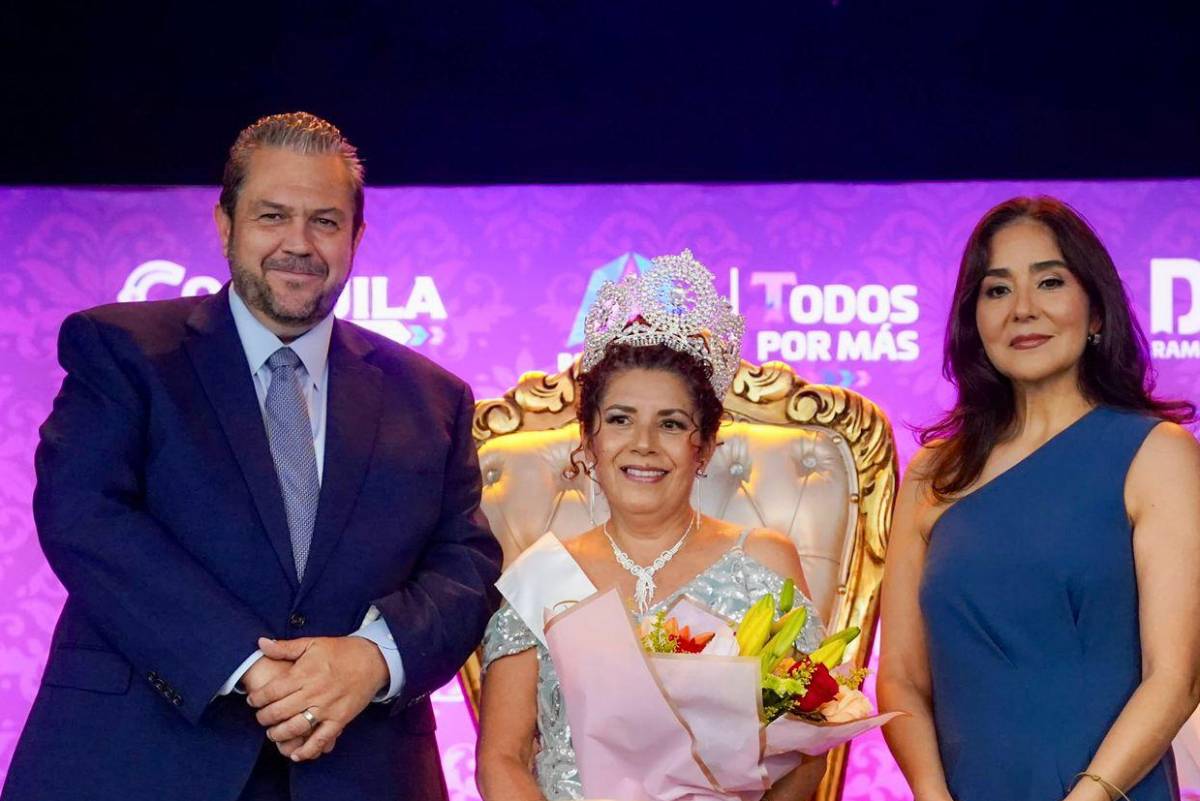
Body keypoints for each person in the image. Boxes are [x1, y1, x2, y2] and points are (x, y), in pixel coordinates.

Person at [0, 112, 501, 801]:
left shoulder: (433, 397)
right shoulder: (122, 350)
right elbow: (84, 515)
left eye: (325, 222)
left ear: (356, 236)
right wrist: (249, 665)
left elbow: (466, 563)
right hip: (136, 761)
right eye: (272, 216)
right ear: (225, 224)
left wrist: (372, 658)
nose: (298, 244)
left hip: (360, 769)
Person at [877, 196, 1200, 801]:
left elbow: (1175, 677)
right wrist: (933, 794)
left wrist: (1090, 794)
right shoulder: (932, 474)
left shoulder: (1158, 454)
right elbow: (899, 678)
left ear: (1096, 310)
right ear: (974, 320)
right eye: (997, 290)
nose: (1022, 309)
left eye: (1050, 282)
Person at [474, 250, 828, 801]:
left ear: (703, 447)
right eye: (620, 420)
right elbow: (502, 757)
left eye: (671, 424)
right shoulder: (542, 575)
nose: (643, 444)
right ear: (589, 441)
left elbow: (807, 750)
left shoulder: (762, 563)